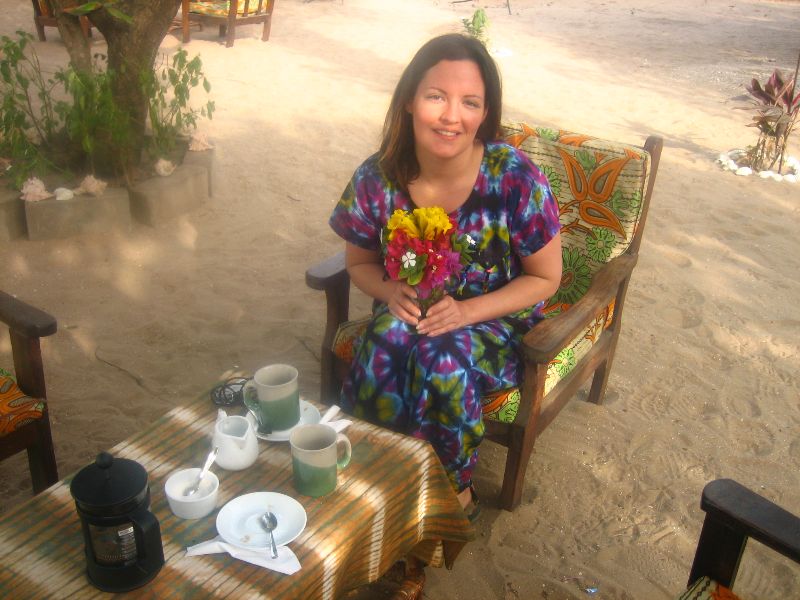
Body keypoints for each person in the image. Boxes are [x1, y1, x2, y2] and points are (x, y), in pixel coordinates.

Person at [328, 34, 562, 515]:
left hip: (497, 323)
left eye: (470, 102)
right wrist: (390, 290)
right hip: (413, 314)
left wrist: (466, 312)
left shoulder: (514, 177)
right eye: (436, 96)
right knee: (388, 335)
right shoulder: (378, 177)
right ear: (410, 100)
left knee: (441, 356)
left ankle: (452, 494)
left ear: (485, 112)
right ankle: (371, 471)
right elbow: (359, 264)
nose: (451, 116)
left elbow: (545, 278)